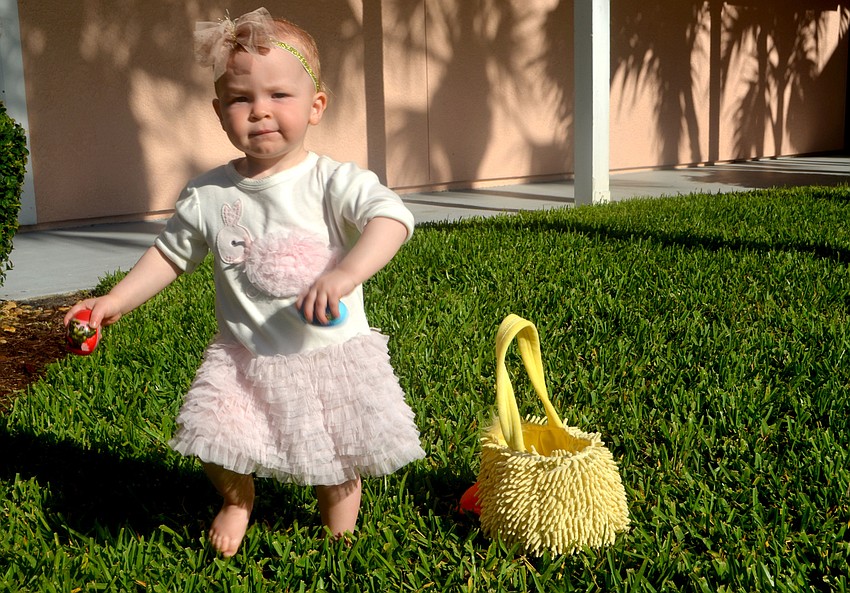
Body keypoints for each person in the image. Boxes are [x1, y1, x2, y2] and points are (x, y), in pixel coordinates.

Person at [64, 7, 425, 558]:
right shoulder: (210, 196)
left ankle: (341, 535)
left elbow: (391, 217)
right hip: (243, 355)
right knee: (217, 443)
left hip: (326, 356)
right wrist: (115, 299)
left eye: (279, 95)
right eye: (240, 99)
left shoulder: (331, 180)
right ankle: (237, 500)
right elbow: (169, 254)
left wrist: (346, 272)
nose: (260, 111)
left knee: (335, 459)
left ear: (316, 106)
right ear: (219, 112)